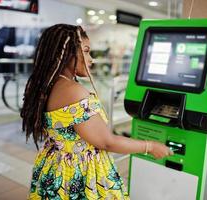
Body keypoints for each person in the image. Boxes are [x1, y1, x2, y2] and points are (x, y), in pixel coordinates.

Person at [21, 24, 173, 200]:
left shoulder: (45, 85)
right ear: (65, 53)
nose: (91, 59)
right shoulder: (73, 91)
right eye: (85, 51)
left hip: (55, 166)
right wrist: (150, 146)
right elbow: (107, 142)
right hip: (78, 173)